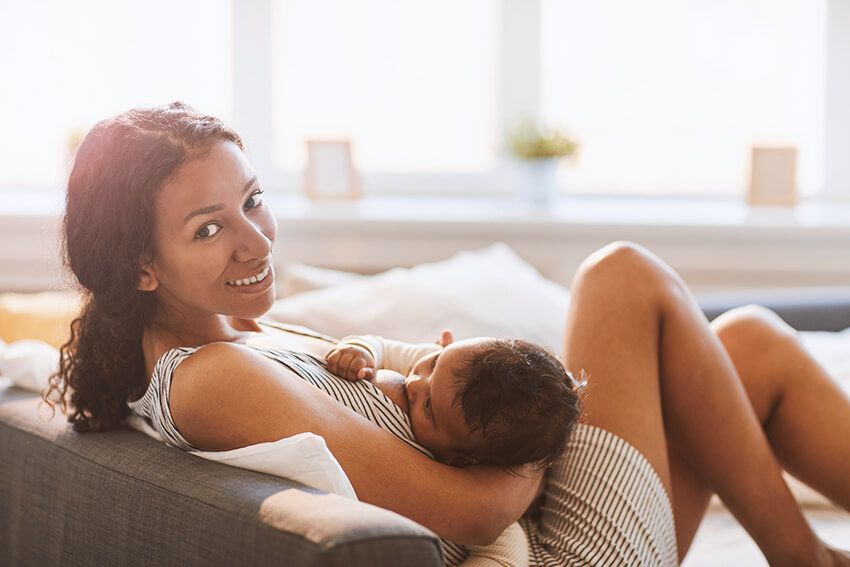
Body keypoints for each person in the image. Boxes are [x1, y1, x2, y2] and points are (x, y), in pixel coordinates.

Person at [44, 102, 850, 567]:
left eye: (253, 200)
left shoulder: (234, 334)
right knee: (621, 275)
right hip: (557, 550)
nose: (256, 242)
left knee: (744, 343)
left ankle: (805, 559)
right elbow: (463, 515)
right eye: (210, 227)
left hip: (548, 524)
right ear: (141, 264)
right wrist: (544, 420)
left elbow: (396, 377)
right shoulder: (210, 376)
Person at [325, 331, 582, 469]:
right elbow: (383, 346)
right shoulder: (432, 362)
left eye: (427, 406)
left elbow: (502, 548)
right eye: (435, 364)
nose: (414, 382)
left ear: (458, 458)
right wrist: (362, 351)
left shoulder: (473, 490)